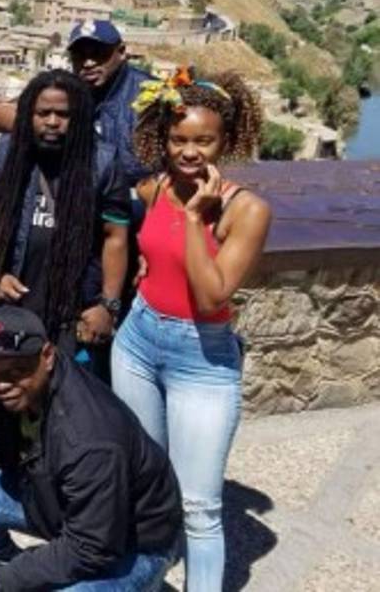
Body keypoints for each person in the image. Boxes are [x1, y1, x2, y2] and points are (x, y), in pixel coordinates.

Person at [112, 68, 271, 592]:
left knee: (200, 507)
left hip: (201, 358)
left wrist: (197, 214)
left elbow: (211, 296)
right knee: (150, 478)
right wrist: (143, 269)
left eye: (204, 140)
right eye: (178, 139)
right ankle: (149, 572)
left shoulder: (246, 210)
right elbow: (147, 249)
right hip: (137, 342)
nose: (189, 151)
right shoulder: (154, 187)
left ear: (227, 140)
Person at [0, 307, 182, 592]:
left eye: (17, 371)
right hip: (54, 501)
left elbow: (91, 547)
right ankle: (10, 566)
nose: (2, 384)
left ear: (47, 356)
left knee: (76, 560)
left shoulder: (90, 438)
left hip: (131, 543)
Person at [0, 70, 130, 378]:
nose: (52, 122)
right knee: (10, 389)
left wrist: (107, 307)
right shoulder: (8, 154)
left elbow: (116, 237)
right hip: (15, 304)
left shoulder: (102, 163)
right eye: (42, 112)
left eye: (63, 114)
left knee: (70, 400)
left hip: (74, 313)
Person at [0, 20, 154, 186]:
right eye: (80, 56)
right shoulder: (67, 89)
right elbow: (21, 119)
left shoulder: (151, 96)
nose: (89, 63)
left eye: (99, 54)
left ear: (122, 52)